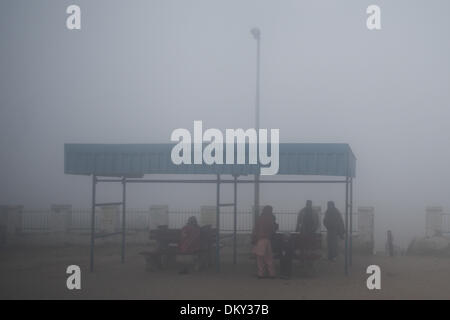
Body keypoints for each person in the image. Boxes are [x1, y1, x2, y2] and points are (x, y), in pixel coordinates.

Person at [252, 205, 277, 279]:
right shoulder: (270, 218)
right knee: (269, 258)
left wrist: (253, 238)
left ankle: (261, 274)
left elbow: (255, 229)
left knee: (260, 259)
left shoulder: (260, 218)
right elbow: (273, 229)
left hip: (260, 240)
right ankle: (272, 274)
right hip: (268, 240)